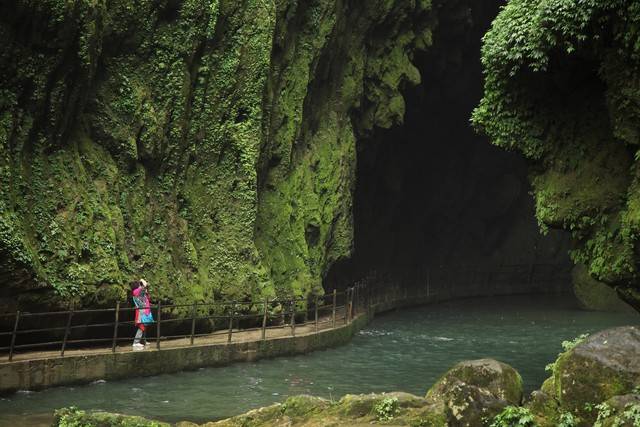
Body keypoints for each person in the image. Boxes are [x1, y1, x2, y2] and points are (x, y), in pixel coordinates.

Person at [131, 279, 154, 350]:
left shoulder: (141, 292)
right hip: (141, 312)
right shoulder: (135, 291)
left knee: (144, 326)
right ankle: (135, 342)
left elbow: (146, 295)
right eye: (139, 285)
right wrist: (143, 281)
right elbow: (144, 286)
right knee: (141, 327)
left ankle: (143, 341)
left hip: (145, 311)